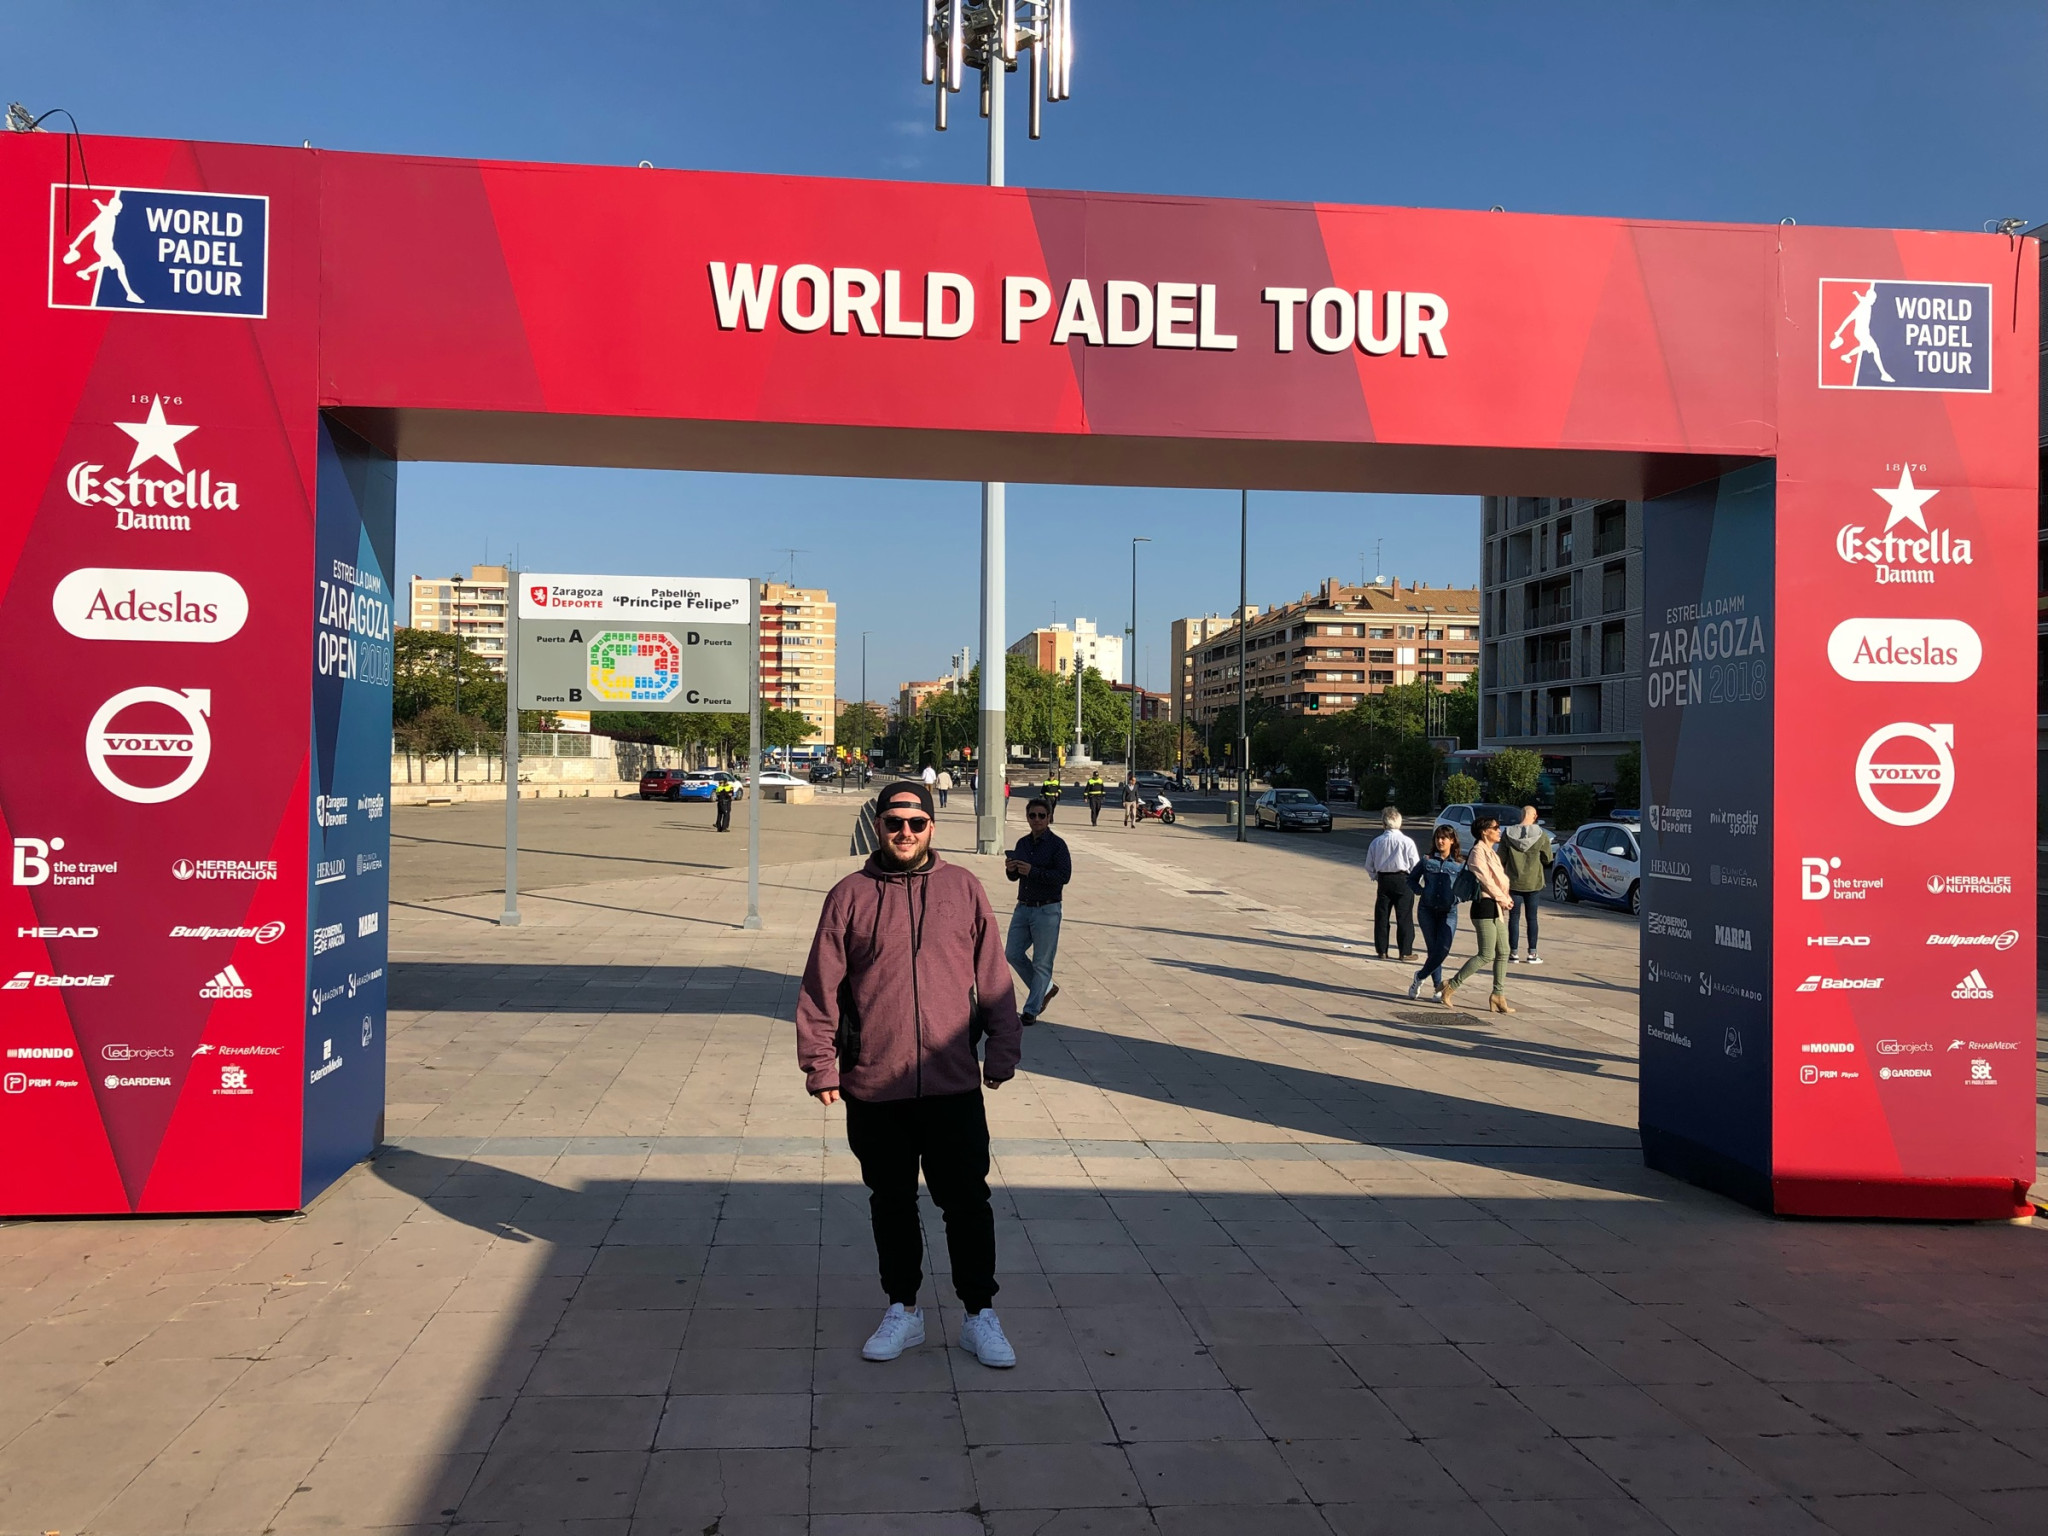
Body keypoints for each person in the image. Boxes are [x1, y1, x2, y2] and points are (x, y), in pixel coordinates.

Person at [796, 780, 1023, 1369]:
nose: (904, 832)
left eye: (915, 823)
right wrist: (821, 1064)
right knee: (891, 1202)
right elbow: (821, 988)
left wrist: (1002, 1049)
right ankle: (903, 1309)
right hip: (876, 1084)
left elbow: (993, 978)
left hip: (952, 1083)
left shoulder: (963, 888)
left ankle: (979, 1314)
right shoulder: (848, 896)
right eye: (893, 822)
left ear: (931, 827)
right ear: (877, 826)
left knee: (967, 1202)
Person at [1004, 797, 1070, 1026]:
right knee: (1012, 953)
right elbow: (1014, 877)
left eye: (1042, 815)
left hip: (1047, 909)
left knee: (1042, 962)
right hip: (1023, 906)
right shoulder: (1023, 843)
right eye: (1032, 815)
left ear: (1049, 817)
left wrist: (1033, 871)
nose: (1037, 820)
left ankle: (1031, 1010)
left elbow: (1064, 876)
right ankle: (1046, 988)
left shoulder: (1057, 845)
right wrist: (1011, 869)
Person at [1442, 815, 1513, 1014]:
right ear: (1484, 832)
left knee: (1504, 951)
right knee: (1486, 954)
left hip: (1496, 906)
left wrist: (1505, 897)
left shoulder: (1491, 852)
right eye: (1495, 827)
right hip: (1484, 906)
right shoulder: (1477, 852)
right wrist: (1502, 898)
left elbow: (1499, 880)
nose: (1499, 830)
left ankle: (1498, 995)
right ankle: (1451, 985)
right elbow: (1485, 880)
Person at [1407, 825, 1474, 1000]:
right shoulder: (1427, 860)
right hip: (1427, 910)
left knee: (1443, 949)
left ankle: (1420, 976)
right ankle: (1438, 988)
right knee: (1433, 949)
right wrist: (1421, 891)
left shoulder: (1460, 864)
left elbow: (1469, 888)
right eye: (1437, 838)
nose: (1440, 841)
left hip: (1448, 911)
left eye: (1444, 838)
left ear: (1452, 841)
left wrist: (1457, 898)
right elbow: (1411, 879)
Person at [1363, 807, 1421, 961]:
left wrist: (1375, 876)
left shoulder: (1376, 842)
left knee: (1382, 916)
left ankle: (1382, 951)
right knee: (1404, 917)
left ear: (1384, 824)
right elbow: (1416, 865)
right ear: (1400, 823)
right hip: (1403, 880)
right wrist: (1415, 881)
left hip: (1384, 880)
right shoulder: (1407, 842)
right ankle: (1405, 952)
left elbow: (1369, 865)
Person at [1499, 805, 1554, 965]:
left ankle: (1513, 953)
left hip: (1513, 881)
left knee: (1514, 918)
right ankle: (1532, 953)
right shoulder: (1541, 835)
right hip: (1533, 882)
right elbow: (1547, 859)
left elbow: (1501, 858)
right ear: (1535, 816)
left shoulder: (1508, 833)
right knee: (1532, 918)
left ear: (1521, 815)